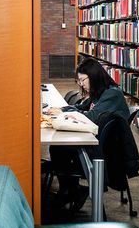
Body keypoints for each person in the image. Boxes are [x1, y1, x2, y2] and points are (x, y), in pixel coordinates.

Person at [46, 58, 130, 213]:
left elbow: (91, 117)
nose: (81, 84)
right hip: (96, 140)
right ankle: (71, 190)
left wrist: (68, 112)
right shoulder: (100, 92)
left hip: (105, 150)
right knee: (58, 147)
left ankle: (72, 191)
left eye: (83, 80)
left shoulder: (112, 94)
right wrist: (63, 110)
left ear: (94, 76)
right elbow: (82, 107)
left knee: (59, 148)